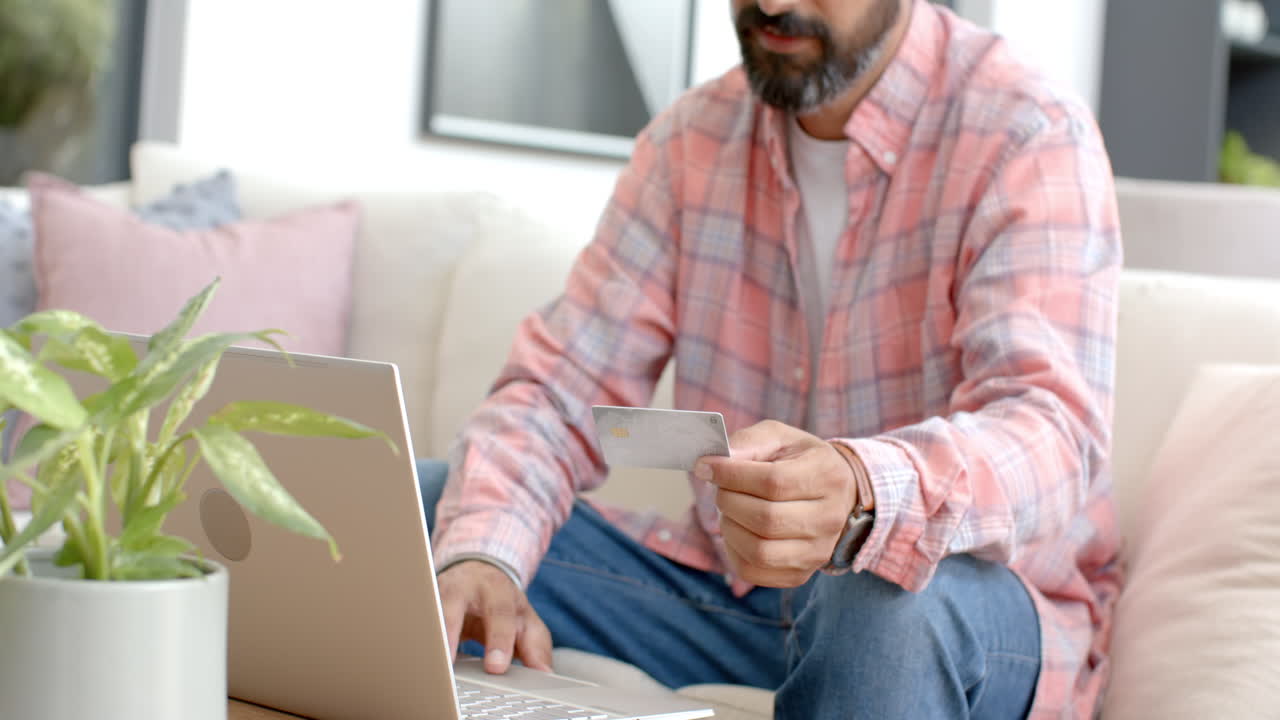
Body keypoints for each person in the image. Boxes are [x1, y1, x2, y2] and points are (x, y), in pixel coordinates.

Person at [421, 0, 1123, 717]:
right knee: (423, 505)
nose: (775, 3)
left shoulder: (1026, 129)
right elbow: (556, 391)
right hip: (730, 598)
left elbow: (1052, 431)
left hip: (955, 610)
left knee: (882, 593)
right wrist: (483, 552)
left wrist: (862, 488)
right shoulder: (692, 140)